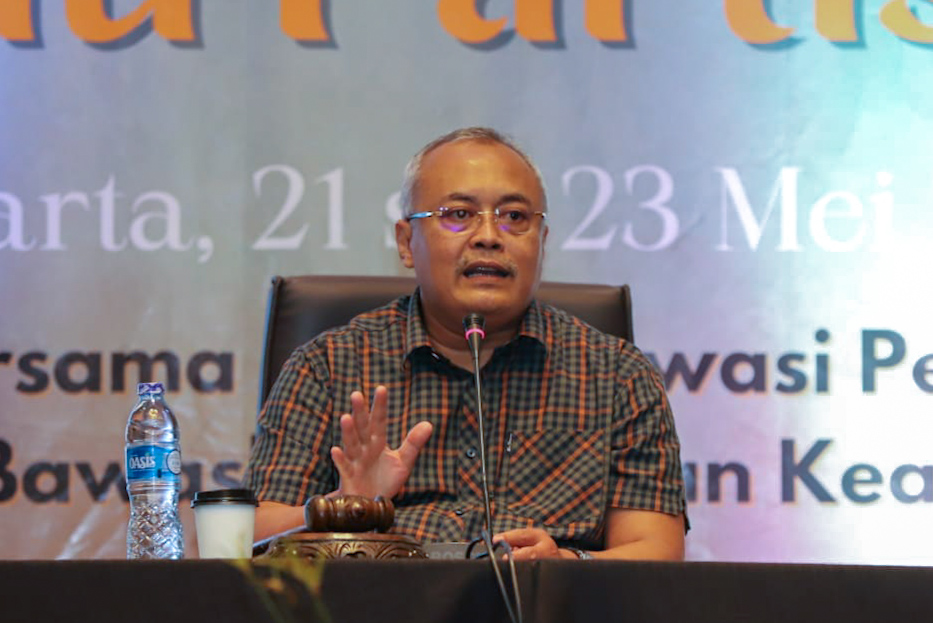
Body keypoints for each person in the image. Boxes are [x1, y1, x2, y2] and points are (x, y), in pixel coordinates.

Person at [243, 127, 687, 560]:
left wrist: (566, 565)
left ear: (542, 242)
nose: (489, 236)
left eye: (515, 217)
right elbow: (247, 536)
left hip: (547, 602)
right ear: (406, 243)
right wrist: (347, 507)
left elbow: (656, 551)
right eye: (458, 214)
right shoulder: (327, 366)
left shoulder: (617, 376)